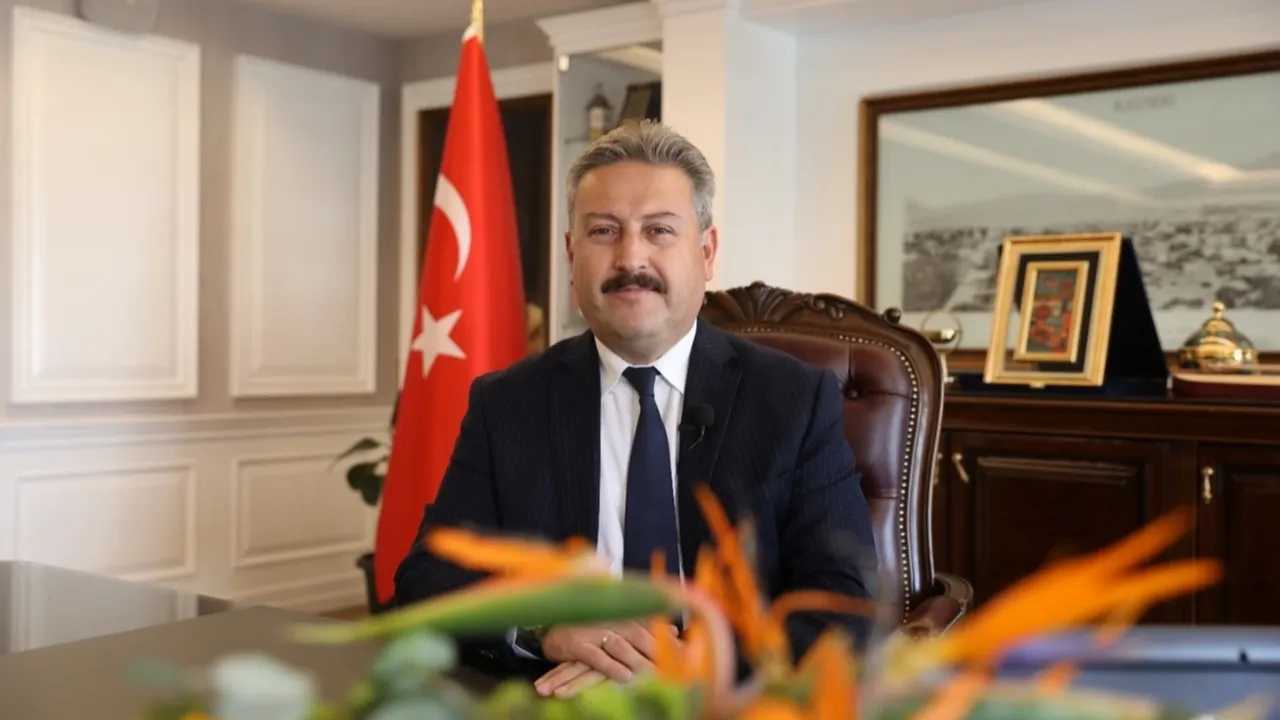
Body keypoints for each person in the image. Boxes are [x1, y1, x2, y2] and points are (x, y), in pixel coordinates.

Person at [393, 120, 877, 698]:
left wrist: (697, 665)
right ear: (572, 254)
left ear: (706, 251)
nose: (630, 257)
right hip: (561, 701)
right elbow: (426, 577)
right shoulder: (506, 404)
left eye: (659, 231)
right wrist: (545, 628)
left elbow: (841, 602)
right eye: (604, 231)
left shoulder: (794, 399)